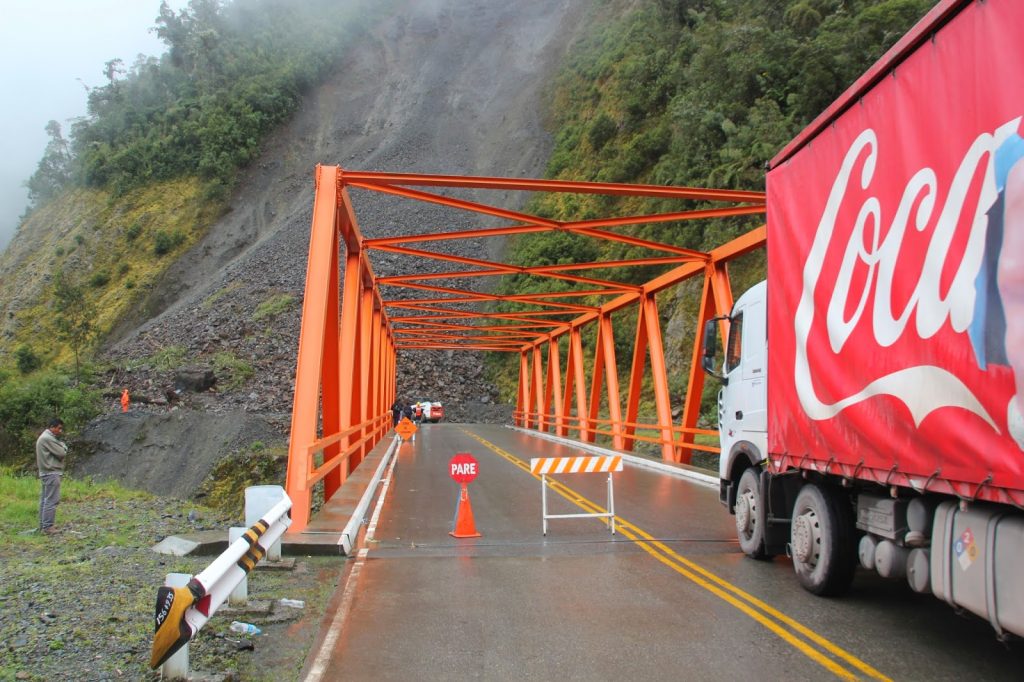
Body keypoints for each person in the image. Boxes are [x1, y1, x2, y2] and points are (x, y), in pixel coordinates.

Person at [37, 417, 68, 535]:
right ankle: (48, 527)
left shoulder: (44, 437)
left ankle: (43, 525)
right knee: (52, 500)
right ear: (52, 427)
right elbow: (62, 453)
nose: (60, 431)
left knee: (45, 499)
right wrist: (63, 446)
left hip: (46, 472)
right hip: (51, 472)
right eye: (59, 428)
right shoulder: (48, 438)